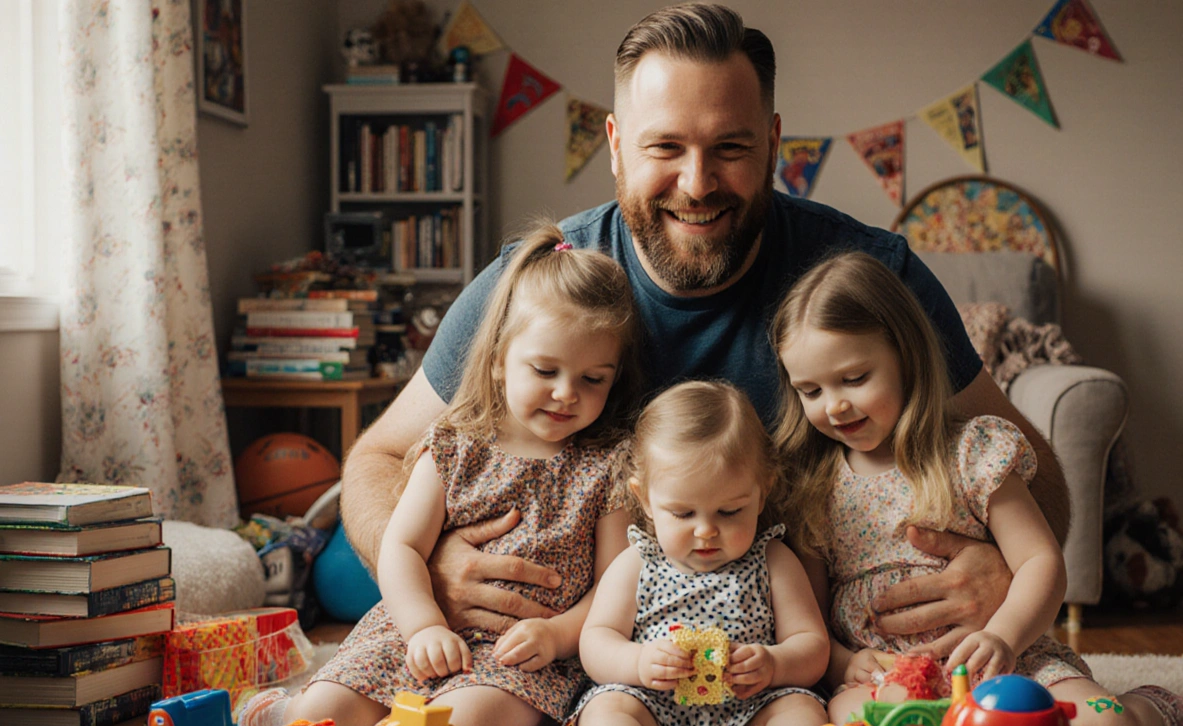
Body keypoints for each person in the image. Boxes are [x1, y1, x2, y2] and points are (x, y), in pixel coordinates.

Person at [340, 1, 1068, 663]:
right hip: (590, 664)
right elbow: (376, 459)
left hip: (818, 663)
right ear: (617, 146)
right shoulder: (540, 285)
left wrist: (1007, 571)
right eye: (666, 148)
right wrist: (422, 565)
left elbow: (1041, 477)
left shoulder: (869, 281)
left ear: (774, 144)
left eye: (730, 148)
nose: (696, 183)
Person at [771, 252, 1183, 726]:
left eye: (855, 378)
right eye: (811, 390)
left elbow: (1041, 563)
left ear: (906, 359)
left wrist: (1004, 635)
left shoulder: (972, 452)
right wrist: (845, 662)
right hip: (886, 679)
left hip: (1007, 661)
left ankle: (1153, 711)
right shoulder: (811, 485)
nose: (835, 405)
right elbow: (810, 618)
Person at [237, 223, 643, 726]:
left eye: (593, 379)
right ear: (499, 362)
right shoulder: (454, 445)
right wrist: (423, 625)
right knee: (324, 714)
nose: (567, 394)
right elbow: (403, 545)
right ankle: (289, 710)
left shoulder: (608, 467)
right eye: (545, 370)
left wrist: (558, 634)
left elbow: (616, 586)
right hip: (420, 628)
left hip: (522, 658)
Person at [562, 380, 831, 726]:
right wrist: (638, 662)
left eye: (729, 511)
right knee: (607, 707)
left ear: (763, 490)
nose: (705, 530)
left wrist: (774, 664)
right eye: (683, 514)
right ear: (646, 500)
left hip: (751, 711)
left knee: (799, 707)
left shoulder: (773, 560)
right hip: (655, 709)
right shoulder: (638, 561)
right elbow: (596, 641)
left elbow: (812, 644)